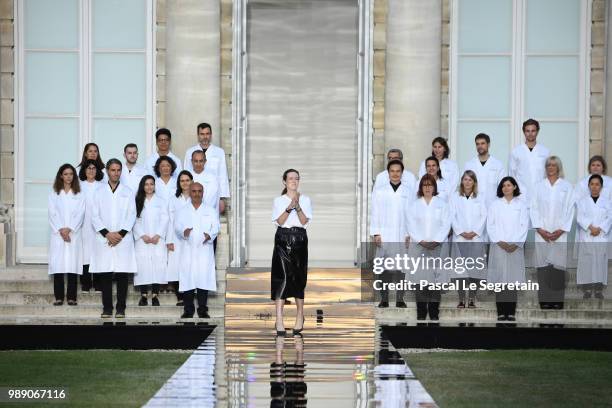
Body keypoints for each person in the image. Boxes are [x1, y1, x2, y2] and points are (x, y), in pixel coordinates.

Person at [89, 159, 137, 318]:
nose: (115, 173)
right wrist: (107, 234)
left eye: (118, 170)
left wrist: (120, 234)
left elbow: (132, 215)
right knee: (106, 275)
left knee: (122, 274)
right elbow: (94, 216)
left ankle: (121, 308)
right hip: (105, 239)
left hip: (122, 239)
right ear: (107, 171)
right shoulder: (99, 192)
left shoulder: (128, 192)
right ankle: (107, 308)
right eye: (113, 170)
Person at [530, 156, 574, 309]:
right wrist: (541, 230)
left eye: (554, 165)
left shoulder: (567, 187)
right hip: (542, 234)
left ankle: (557, 300)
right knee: (543, 268)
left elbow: (570, 209)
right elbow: (533, 208)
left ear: (559, 167)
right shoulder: (538, 186)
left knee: (557, 268)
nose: (551, 167)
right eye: (548, 165)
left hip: (559, 234)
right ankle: (544, 300)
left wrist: (560, 230)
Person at [271, 169, 312, 335]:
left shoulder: (306, 199)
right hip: (283, 238)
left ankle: (300, 315)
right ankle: (279, 319)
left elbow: (304, 221)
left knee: (298, 277)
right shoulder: (278, 200)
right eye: (290, 178)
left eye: (296, 178)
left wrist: (298, 205)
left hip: (299, 238)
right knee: (281, 277)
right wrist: (289, 207)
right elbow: (280, 221)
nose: (293, 181)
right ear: (284, 181)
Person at [406, 174, 451, 321]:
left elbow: (446, 224)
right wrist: (422, 241)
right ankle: (421, 312)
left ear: (434, 187)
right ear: (420, 188)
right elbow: (410, 225)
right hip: (419, 247)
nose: (427, 188)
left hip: (437, 247)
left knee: (435, 281)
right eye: (424, 185)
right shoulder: (414, 205)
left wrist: (436, 241)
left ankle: (433, 312)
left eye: (430, 185)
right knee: (420, 282)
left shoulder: (442, 204)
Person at [370, 159, 413, 308]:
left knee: (401, 268)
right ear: (388, 173)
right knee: (385, 268)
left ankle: (400, 299)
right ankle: (385, 299)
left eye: (398, 171)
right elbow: (374, 212)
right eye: (392, 171)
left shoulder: (409, 191)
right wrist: (376, 233)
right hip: (385, 234)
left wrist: (410, 233)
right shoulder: (380, 191)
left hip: (402, 234)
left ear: (402, 173)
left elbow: (411, 214)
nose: (395, 174)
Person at [487, 177, 529, 321]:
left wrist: (515, 243)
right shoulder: (495, 205)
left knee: (512, 281)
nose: (506, 188)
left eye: (509, 185)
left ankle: (511, 312)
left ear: (515, 187)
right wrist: (500, 242)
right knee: (500, 280)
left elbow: (524, 225)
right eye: (503, 185)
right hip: (499, 247)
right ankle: (501, 312)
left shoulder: (521, 205)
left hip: (515, 248)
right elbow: (490, 225)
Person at [175, 182, 220, 318]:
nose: (196, 194)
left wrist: (210, 235)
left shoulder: (210, 210)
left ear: (203, 192)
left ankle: (202, 309)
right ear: (189, 192)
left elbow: (216, 227)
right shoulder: (182, 211)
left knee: (203, 279)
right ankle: (188, 310)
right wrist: (184, 232)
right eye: (194, 191)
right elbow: (177, 227)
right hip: (187, 250)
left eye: (199, 191)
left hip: (204, 250)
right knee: (188, 280)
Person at [48, 164, 85, 306]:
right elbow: (52, 213)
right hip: (58, 234)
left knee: (72, 265)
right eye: (65, 174)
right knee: (58, 265)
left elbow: (80, 214)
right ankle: (58, 297)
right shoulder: (54, 193)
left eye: (71, 174)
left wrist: (70, 229)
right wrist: (61, 230)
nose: (68, 176)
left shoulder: (79, 194)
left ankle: (71, 297)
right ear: (60, 176)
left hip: (73, 234)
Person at [450, 170, 487, 308]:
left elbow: (484, 215)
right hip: (460, 239)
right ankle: (461, 298)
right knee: (459, 271)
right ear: (461, 181)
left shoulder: (480, 197)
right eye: (465, 179)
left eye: (470, 180)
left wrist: (475, 232)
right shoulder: (455, 197)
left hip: (476, 239)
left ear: (474, 183)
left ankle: (471, 298)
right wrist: (461, 232)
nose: (467, 182)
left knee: (474, 269)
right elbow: (451, 216)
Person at [133, 175, 169, 307]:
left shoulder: (161, 201)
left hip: (157, 239)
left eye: (151, 184)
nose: (149, 187)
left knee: (157, 266)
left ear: (155, 186)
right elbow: (134, 219)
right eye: (146, 184)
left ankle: (154, 295)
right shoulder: (137, 201)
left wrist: (158, 235)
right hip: (142, 240)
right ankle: (143, 295)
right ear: (143, 186)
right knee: (142, 266)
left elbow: (165, 219)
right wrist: (142, 235)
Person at [576, 175, 611, 299]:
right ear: (589, 186)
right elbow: (580, 217)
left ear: (601, 187)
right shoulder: (582, 202)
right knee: (587, 262)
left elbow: (609, 217)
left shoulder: (607, 202)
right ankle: (587, 289)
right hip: (587, 235)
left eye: (597, 184)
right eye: (592, 184)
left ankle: (598, 289)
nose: (594, 187)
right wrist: (591, 228)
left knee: (600, 262)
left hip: (601, 235)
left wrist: (599, 229)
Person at [183, 123, 230, 213]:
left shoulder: (219, 152)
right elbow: (186, 175)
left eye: (207, 134)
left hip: (213, 195)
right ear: (198, 135)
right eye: (202, 134)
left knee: (211, 220)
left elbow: (223, 175)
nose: (205, 137)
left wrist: (222, 198)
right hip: (193, 194)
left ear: (211, 135)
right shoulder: (189, 152)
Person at [165, 170, 193, 306]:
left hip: (192, 237)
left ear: (191, 181)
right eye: (182, 180)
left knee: (190, 265)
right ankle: (180, 295)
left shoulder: (197, 197)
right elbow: (170, 221)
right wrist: (169, 240)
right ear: (179, 183)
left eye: (187, 180)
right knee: (176, 266)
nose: (185, 183)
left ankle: (190, 293)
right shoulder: (173, 199)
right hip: (176, 237)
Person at [78, 159, 105, 292]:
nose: (91, 171)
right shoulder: (79, 186)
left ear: (97, 171)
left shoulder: (102, 186)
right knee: (85, 253)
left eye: (93, 168)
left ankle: (99, 282)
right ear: (84, 170)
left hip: (99, 224)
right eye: (88, 168)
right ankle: (86, 282)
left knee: (98, 251)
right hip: (84, 224)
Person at [508, 118, 550, 206]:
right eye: (527, 131)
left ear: (537, 131)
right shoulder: (516, 152)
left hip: (541, 196)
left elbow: (548, 174)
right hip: (521, 197)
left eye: (533, 131)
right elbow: (512, 175)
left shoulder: (545, 152)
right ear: (524, 132)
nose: (530, 134)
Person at [463, 133, 505, 206]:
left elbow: (503, 187)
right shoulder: (469, 165)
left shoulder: (498, 165)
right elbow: (464, 186)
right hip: (473, 206)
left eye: (482, 143)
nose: (480, 146)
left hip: (493, 205)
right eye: (477, 144)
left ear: (488, 145)